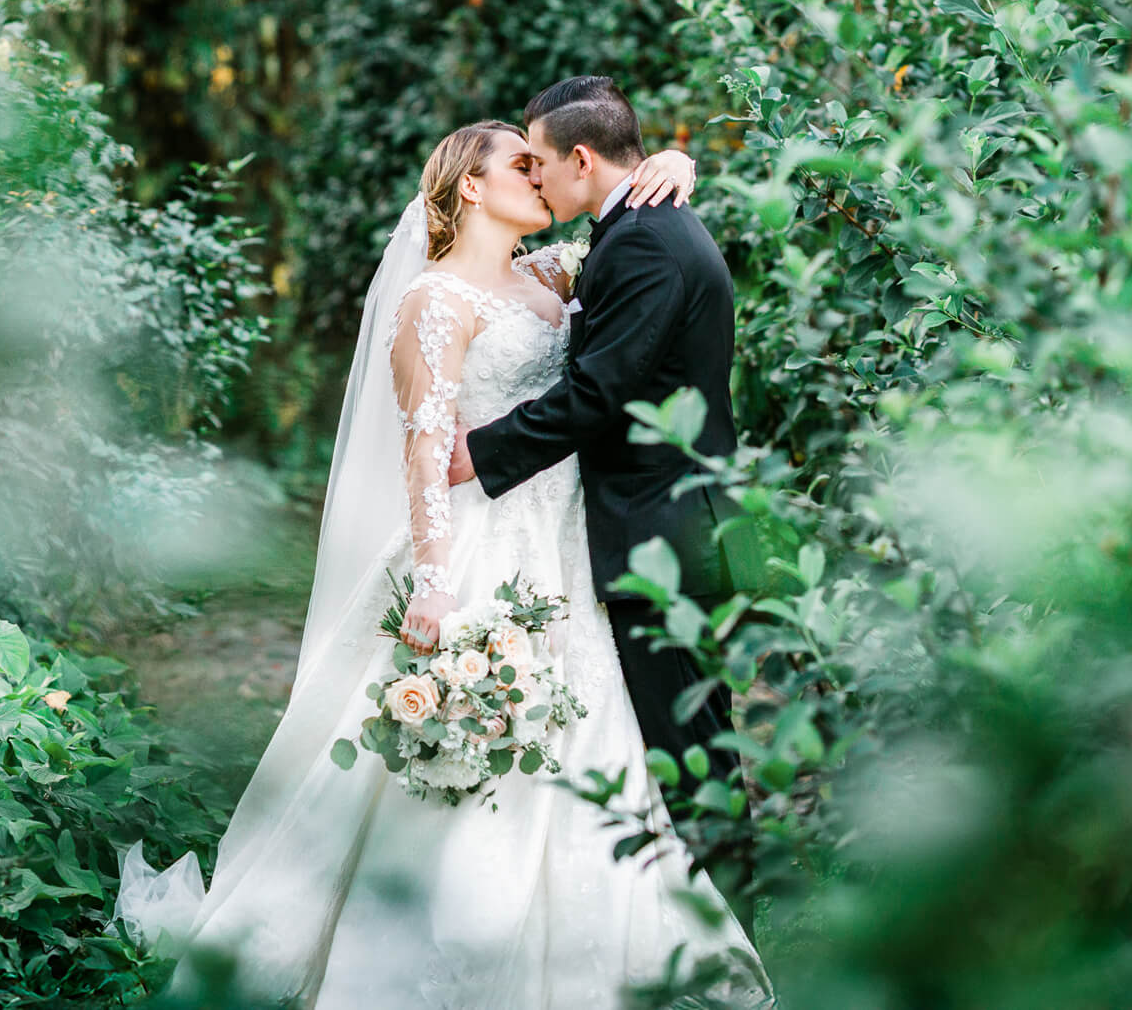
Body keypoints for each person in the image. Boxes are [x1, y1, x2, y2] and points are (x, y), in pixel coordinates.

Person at [114, 116, 768, 1008]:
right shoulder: (432, 302)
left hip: (570, 543)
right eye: (520, 164)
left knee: (590, 731)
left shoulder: (553, 273)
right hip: (481, 539)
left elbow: (629, 221)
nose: (539, 176)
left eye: (542, 163)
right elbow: (425, 455)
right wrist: (433, 581)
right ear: (472, 185)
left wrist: (674, 161)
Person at [446, 75, 743, 794]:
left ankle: (724, 873)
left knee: (694, 754)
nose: (535, 180)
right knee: (686, 745)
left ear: (581, 159)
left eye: (539, 163)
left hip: (666, 534)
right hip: (664, 528)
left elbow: (597, 393)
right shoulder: (634, 228)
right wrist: (671, 158)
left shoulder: (643, 241)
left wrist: (478, 451)